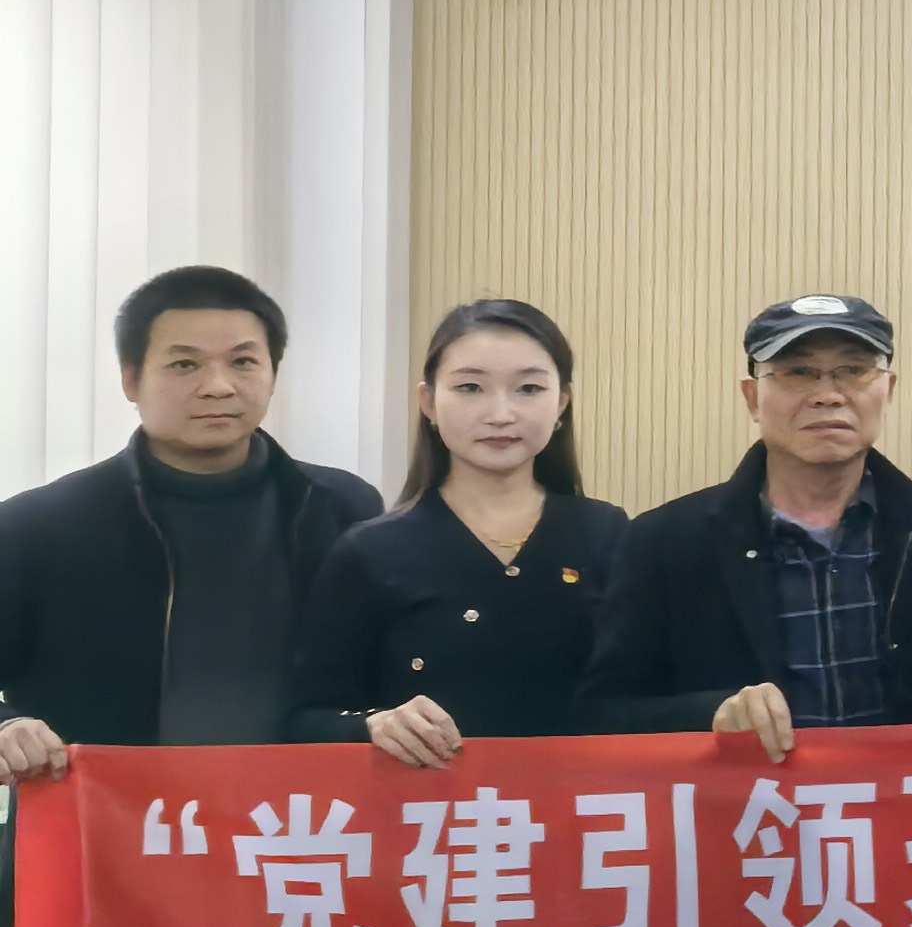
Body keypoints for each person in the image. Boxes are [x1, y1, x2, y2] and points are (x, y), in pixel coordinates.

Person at [0, 265, 383, 791]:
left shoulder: (343, 508)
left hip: (296, 820)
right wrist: (8, 728)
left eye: (243, 362)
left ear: (273, 374)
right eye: (185, 364)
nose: (218, 387)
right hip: (106, 821)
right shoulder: (38, 526)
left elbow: (377, 668)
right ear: (131, 379)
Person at [583, 296, 912, 752]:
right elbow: (601, 712)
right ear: (753, 398)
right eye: (798, 372)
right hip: (750, 797)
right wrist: (710, 714)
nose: (828, 395)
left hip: (904, 796)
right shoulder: (666, 542)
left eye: (854, 370)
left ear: (888, 390)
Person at [283, 299, 625, 758]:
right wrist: (373, 724)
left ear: (561, 403)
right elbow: (306, 718)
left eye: (528, 388)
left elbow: (641, 698)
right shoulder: (370, 551)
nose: (500, 413)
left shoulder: (609, 534)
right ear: (428, 402)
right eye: (470, 387)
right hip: (431, 802)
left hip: (585, 799)